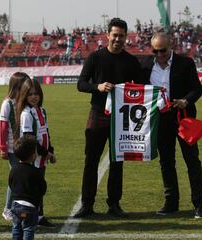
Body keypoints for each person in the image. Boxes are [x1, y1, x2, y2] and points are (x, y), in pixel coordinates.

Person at [75, 17, 142, 218]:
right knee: (91, 161)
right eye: (114, 35)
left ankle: (114, 203)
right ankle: (87, 204)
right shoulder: (95, 58)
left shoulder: (131, 61)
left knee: (117, 161)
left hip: (121, 117)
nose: (118, 39)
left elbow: (140, 87)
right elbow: (80, 84)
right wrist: (98, 87)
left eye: (121, 36)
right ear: (107, 35)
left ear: (126, 37)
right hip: (98, 113)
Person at [141, 32, 202, 218]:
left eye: (163, 50)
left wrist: (186, 101)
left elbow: (197, 89)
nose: (160, 54)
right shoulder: (145, 65)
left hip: (184, 118)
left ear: (171, 47)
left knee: (192, 160)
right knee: (166, 162)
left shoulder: (186, 63)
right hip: (160, 120)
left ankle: (199, 204)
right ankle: (171, 203)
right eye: (156, 51)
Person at [15, 78, 56, 228]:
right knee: (32, 190)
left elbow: (46, 133)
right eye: (30, 94)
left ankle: (39, 216)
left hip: (42, 158)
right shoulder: (27, 114)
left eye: (36, 93)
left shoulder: (41, 111)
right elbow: (29, 140)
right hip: (33, 160)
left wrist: (50, 150)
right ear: (25, 95)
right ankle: (31, 217)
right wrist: (46, 153)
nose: (34, 97)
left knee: (39, 188)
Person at [0, 72, 30, 221]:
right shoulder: (8, 103)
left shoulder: (24, 102)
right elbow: (2, 127)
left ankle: (22, 207)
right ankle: (7, 208)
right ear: (18, 86)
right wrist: (3, 148)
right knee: (15, 179)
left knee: (22, 178)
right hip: (12, 149)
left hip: (24, 147)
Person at [9, 135, 47, 240]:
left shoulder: (13, 169)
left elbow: (11, 184)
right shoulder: (35, 171)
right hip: (30, 207)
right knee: (28, 229)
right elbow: (42, 188)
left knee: (16, 228)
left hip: (15, 206)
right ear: (32, 155)